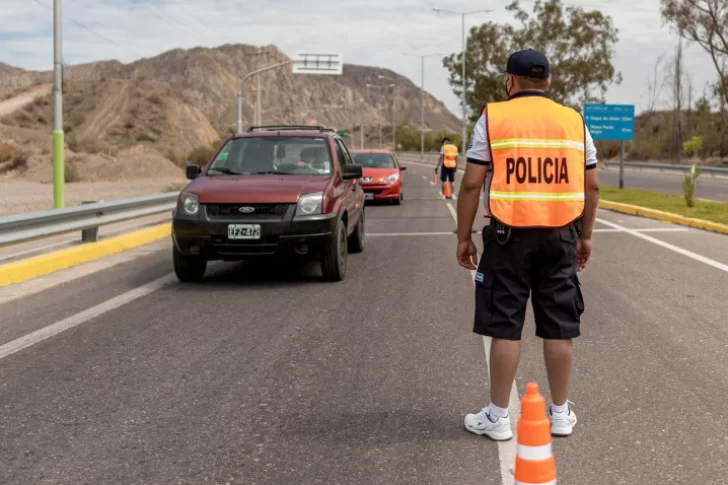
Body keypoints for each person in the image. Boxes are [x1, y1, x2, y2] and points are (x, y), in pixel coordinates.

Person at [455, 49, 600, 441]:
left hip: (508, 238)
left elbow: (471, 183)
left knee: (505, 325)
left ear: (509, 81)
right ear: (549, 83)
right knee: (559, 327)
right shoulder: (574, 121)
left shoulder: (494, 117)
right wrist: (585, 236)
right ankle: (559, 415)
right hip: (561, 238)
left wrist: (463, 236)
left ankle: (499, 418)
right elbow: (592, 184)